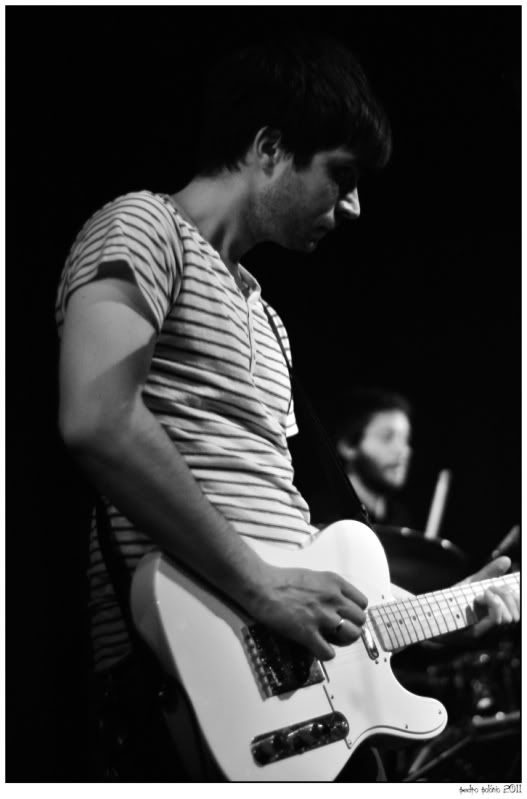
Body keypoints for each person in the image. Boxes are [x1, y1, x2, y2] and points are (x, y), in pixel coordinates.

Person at [56, 34, 519, 781]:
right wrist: (261, 586)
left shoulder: (268, 319)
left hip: (282, 682)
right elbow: (97, 419)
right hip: (176, 670)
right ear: (270, 147)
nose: (354, 206)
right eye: (342, 175)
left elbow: (292, 543)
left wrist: (446, 609)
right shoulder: (142, 226)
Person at [333, 387, 414, 527]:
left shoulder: (401, 521)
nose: (403, 451)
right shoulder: (322, 520)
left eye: (405, 439)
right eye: (386, 437)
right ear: (348, 446)